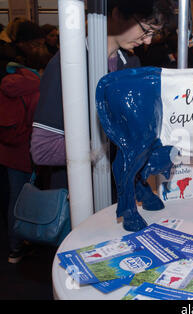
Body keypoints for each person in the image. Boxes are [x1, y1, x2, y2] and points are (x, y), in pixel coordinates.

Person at [30, 0, 168, 190]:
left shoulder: (131, 65)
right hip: (78, 195)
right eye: (146, 30)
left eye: (154, 33)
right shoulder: (67, 66)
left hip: (118, 192)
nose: (148, 41)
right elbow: (42, 149)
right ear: (118, 13)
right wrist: (101, 148)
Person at [0, 21, 51, 263]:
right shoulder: (36, 87)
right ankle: (24, 241)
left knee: (12, 198)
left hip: (6, 147)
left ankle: (14, 246)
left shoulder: (8, 80)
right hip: (27, 151)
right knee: (26, 198)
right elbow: (38, 124)